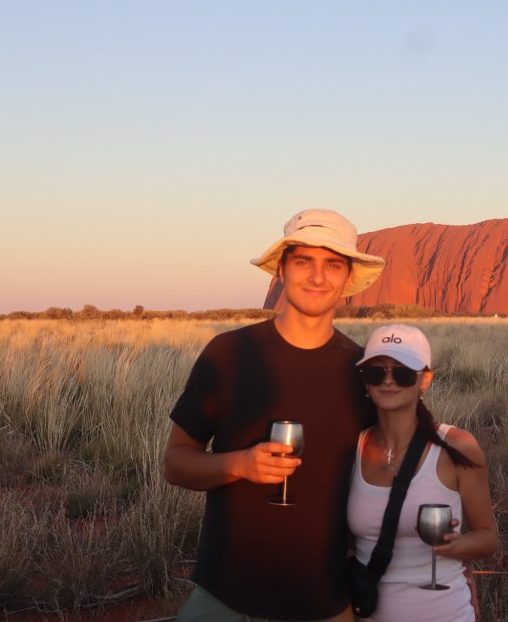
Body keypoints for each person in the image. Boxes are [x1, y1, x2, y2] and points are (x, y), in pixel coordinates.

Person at [163, 209, 386, 621]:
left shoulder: (364, 373)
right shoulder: (229, 354)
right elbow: (175, 463)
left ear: (348, 279)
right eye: (303, 261)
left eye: (332, 265)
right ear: (282, 270)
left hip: (323, 600)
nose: (317, 277)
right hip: (226, 596)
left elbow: (395, 481)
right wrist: (239, 464)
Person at [347, 324, 498, 622]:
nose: (388, 380)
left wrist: (457, 545)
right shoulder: (353, 447)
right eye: (377, 372)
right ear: (365, 380)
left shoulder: (456, 446)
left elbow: (488, 538)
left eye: (403, 373)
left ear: (425, 379)